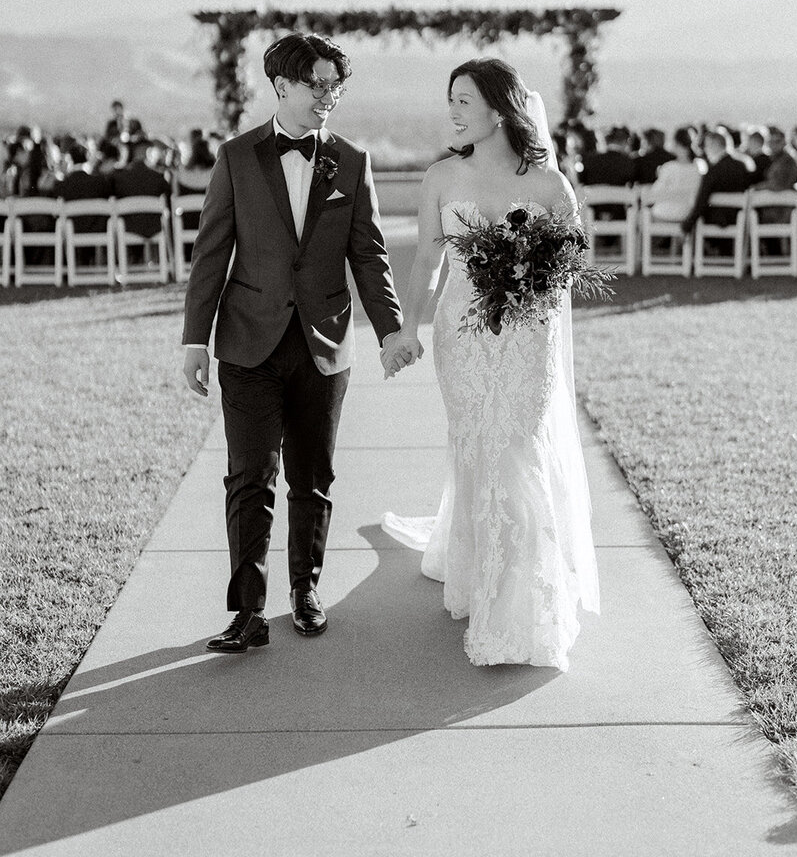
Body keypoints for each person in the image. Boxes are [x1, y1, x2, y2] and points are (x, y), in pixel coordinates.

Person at [182, 33, 409, 654]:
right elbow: (211, 254)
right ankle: (247, 611)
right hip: (247, 343)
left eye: (336, 85)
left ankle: (305, 593)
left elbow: (370, 255)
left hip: (325, 344)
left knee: (312, 479)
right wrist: (194, 339)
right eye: (317, 84)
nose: (328, 96)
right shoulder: (235, 157)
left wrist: (389, 331)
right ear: (281, 86)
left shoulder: (352, 161)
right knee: (249, 478)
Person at [381, 57, 599, 671]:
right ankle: (481, 573)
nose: (452, 111)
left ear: (501, 109)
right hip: (464, 335)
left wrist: (530, 281)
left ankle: (523, 598)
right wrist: (407, 328)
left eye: (464, 101)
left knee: (519, 446)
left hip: (529, 337)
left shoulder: (551, 185)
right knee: (477, 444)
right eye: (450, 99)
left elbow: (573, 263)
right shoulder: (441, 177)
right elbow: (427, 260)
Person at [681, 127, 752, 234]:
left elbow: (702, 200)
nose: (705, 150)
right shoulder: (743, 166)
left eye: (706, 145)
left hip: (718, 222)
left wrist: (687, 225)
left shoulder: (714, 171)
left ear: (714, 145)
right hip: (740, 219)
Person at [648, 128, 703, 221]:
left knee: (640, 217)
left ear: (676, 144)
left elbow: (654, 194)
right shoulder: (699, 168)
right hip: (686, 215)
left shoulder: (669, 167)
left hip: (664, 215)